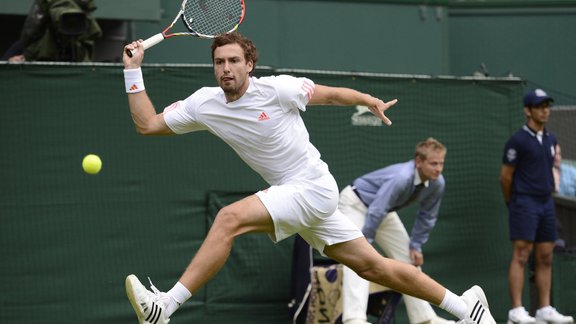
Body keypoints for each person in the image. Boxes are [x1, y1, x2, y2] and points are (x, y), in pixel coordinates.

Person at [122, 32, 496, 324]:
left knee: (228, 219)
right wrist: (132, 70)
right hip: (298, 196)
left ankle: (166, 305)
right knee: (373, 267)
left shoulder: (278, 89)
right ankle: (466, 307)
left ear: (250, 64)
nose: (226, 68)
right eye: (219, 62)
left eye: (234, 60)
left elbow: (331, 96)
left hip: (313, 187)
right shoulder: (204, 103)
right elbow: (147, 125)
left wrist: (367, 99)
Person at [339, 138, 453, 324]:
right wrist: (366, 239)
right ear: (419, 162)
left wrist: (416, 245)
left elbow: (427, 216)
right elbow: (377, 208)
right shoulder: (402, 177)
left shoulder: (437, 183)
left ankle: (424, 318)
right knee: (359, 259)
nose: (438, 169)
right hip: (355, 204)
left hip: (382, 210)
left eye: (441, 163)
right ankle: (354, 319)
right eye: (433, 163)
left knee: (408, 259)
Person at [499, 89, 574, 324]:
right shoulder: (517, 140)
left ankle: (543, 309)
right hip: (524, 202)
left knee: (546, 256)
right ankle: (516, 311)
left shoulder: (551, 139)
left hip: (546, 203)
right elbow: (506, 177)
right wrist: (514, 202)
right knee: (521, 255)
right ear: (527, 110)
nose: (545, 110)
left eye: (547, 106)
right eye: (539, 106)